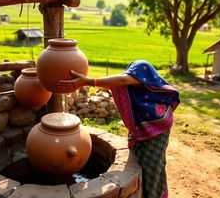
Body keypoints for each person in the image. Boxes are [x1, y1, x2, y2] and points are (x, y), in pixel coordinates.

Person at [57, 60, 180, 198]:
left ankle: (154, 194)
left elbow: (122, 79)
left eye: (131, 77)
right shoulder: (138, 83)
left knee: (154, 166)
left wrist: (88, 81)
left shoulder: (141, 69)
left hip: (157, 128)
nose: (128, 78)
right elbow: (119, 84)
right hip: (147, 125)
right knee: (146, 163)